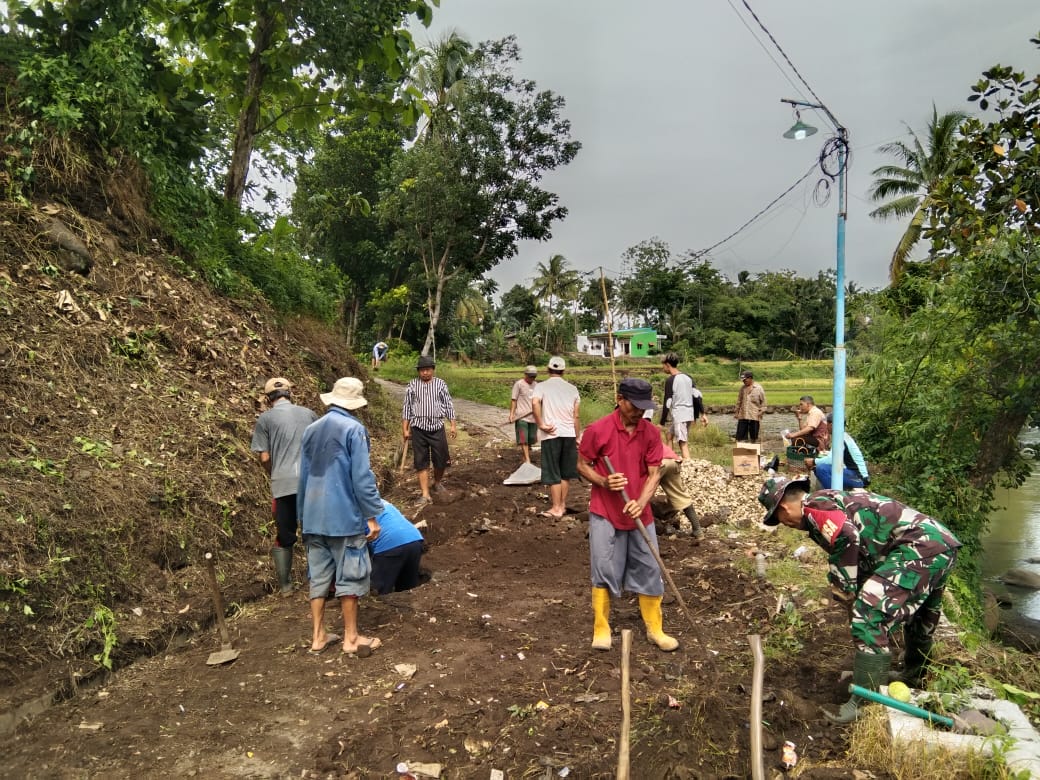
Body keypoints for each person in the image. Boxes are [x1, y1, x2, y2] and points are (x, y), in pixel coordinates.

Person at [758, 475, 961, 723]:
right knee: (921, 615)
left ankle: (864, 702)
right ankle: (914, 674)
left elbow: (848, 537)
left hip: (917, 547)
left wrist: (844, 585)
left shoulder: (813, 508)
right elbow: (865, 549)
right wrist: (858, 586)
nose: (784, 524)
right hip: (938, 544)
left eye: (778, 519)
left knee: (868, 616)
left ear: (783, 507)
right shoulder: (827, 502)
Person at [578, 378, 678, 652]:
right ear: (620, 399)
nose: (640, 413)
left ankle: (655, 629)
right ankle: (601, 627)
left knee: (649, 567)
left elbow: (655, 472)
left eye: (645, 407)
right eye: (635, 406)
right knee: (604, 566)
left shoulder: (650, 433)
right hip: (605, 512)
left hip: (639, 514)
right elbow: (582, 465)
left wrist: (641, 501)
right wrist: (603, 481)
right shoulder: (597, 430)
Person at [298, 377, 383, 656]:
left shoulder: (311, 430)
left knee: (319, 577)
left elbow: (303, 477)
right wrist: (371, 515)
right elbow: (362, 477)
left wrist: (302, 515)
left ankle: (318, 636)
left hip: (312, 516)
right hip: (344, 517)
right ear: (355, 404)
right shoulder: (354, 430)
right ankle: (351, 638)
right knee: (350, 576)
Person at [250, 377, 318, 595]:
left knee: (285, 535)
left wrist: (275, 472)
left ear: (269, 399)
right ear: (290, 394)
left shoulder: (265, 419)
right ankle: (317, 579)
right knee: (313, 531)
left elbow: (264, 457)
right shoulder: (309, 414)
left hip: (283, 484)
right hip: (311, 483)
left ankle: (286, 586)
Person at [402, 355, 458, 505]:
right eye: (422, 370)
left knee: (441, 460)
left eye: (427, 370)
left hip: (437, 427)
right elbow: (407, 407)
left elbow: (448, 404)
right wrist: (405, 429)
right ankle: (425, 494)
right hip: (418, 428)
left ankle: (437, 482)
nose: (425, 373)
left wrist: (452, 424)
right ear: (418, 371)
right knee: (421, 461)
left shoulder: (440, 384)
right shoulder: (412, 385)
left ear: (432, 370)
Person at [532, 356, 582, 519]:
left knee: (553, 472)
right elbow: (576, 416)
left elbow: (534, 404)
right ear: (563, 371)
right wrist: (577, 436)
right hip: (568, 433)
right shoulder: (572, 389)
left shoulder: (541, 386)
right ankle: (562, 505)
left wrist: (540, 424)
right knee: (565, 473)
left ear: (548, 370)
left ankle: (555, 508)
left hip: (551, 434)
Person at [369, 501, 425, 596]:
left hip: (389, 544)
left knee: (379, 593)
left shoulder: (352, 507)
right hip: (414, 539)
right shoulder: (381, 501)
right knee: (407, 591)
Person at [660, 352, 707, 460]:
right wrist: (703, 414)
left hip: (680, 415)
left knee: (682, 442)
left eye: (663, 365)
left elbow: (667, 402)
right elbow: (697, 395)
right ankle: (670, 458)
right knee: (669, 435)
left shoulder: (670, 380)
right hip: (688, 414)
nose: (663, 368)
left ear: (667, 365)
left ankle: (688, 465)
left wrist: (661, 422)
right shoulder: (688, 377)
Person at [805, 413, 870, 489]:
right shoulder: (843, 436)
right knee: (818, 468)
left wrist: (813, 461)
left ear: (832, 425)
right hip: (856, 474)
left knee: (821, 468)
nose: (826, 427)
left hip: (858, 477)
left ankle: (834, 494)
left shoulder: (840, 439)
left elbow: (831, 460)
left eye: (827, 424)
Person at [658, 442, 704, 540]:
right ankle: (697, 530)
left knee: (641, 493)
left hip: (659, 462)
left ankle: (638, 531)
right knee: (680, 496)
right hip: (674, 461)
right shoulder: (648, 433)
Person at [509, 365, 539, 465]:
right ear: (525, 374)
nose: (532, 378)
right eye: (530, 376)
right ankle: (527, 460)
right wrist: (512, 414)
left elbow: (539, 401)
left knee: (532, 439)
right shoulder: (519, 384)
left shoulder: (537, 385)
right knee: (523, 439)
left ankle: (524, 457)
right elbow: (514, 400)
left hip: (533, 417)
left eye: (534, 376)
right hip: (521, 417)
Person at [735, 370, 766, 443]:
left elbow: (763, 403)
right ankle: (741, 449)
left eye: (745, 380)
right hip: (743, 414)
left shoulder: (758, 388)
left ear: (750, 378)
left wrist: (762, 411)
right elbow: (739, 401)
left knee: (754, 435)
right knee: (740, 435)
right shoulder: (742, 388)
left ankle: (753, 447)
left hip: (754, 415)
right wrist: (736, 412)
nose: (744, 382)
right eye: (743, 380)